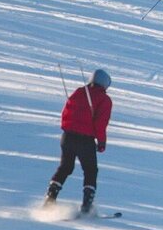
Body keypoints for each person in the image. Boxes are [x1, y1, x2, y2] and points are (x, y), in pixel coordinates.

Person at [43, 69, 113, 214]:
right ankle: (86, 206)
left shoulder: (79, 92)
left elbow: (65, 113)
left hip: (67, 137)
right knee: (90, 170)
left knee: (65, 167)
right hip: (85, 140)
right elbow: (101, 123)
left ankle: (50, 198)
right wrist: (101, 142)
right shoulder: (104, 100)